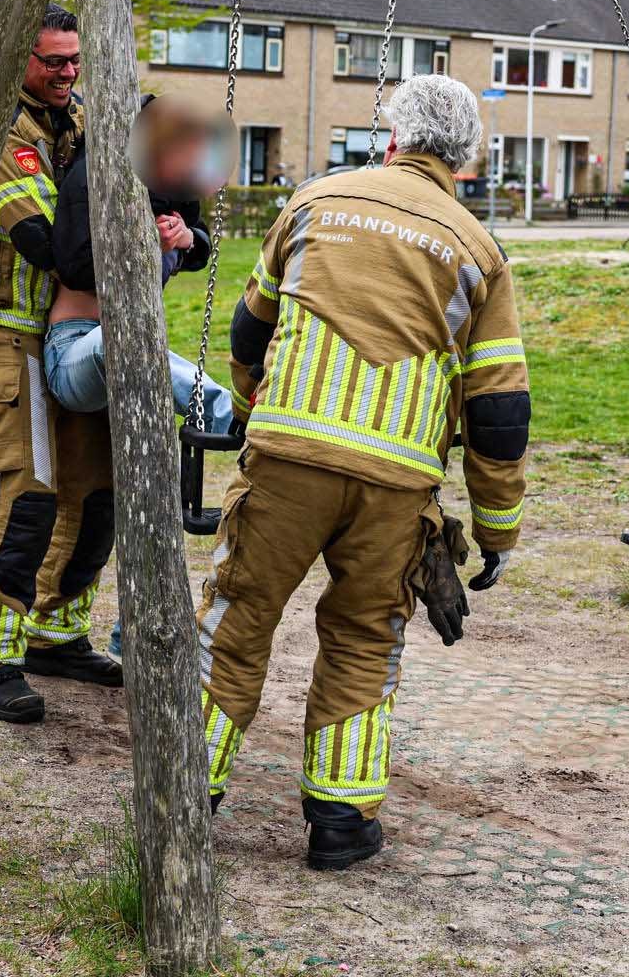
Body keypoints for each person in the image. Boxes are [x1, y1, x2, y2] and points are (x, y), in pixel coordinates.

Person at [199, 75, 531, 869]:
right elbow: (498, 413)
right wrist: (497, 529)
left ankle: (185, 788)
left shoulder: (314, 203)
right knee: (364, 637)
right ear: (468, 162)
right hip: (397, 483)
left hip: (287, 460)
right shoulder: (480, 253)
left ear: (391, 138)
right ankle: (342, 822)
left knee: (237, 621)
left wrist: (255, 408)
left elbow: (250, 332)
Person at [0, 3, 121, 725]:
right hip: (7, 329)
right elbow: (47, 241)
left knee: (97, 493)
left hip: (73, 328)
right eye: (53, 61)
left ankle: (56, 633)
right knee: (28, 493)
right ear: (17, 58)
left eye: (75, 60)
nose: (68, 73)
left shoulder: (82, 122)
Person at [44, 93, 233, 431]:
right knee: (117, 336)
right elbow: (75, 269)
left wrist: (185, 237)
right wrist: (148, 245)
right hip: (74, 349)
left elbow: (199, 244)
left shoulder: (164, 191)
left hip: (137, 348)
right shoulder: (93, 179)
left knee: (130, 337)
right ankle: (228, 416)